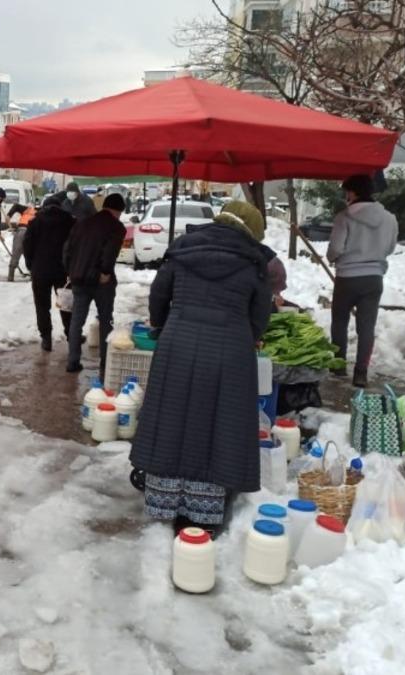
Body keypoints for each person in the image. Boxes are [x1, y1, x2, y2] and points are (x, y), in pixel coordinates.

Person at [128, 208, 273, 539]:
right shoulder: (253, 261)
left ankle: (165, 500)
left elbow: (159, 295)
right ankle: (205, 510)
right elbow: (260, 314)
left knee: (172, 418)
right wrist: (246, 334)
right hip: (230, 348)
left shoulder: (184, 248)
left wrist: (163, 324)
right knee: (218, 424)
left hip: (178, 340)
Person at [326, 174, 398, 388]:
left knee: (339, 322)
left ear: (353, 192)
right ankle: (360, 373)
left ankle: (338, 366)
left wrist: (333, 258)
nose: (345, 196)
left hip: (347, 278)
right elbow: (391, 247)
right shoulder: (390, 218)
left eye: (346, 191)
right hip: (374, 278)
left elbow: (336, 249)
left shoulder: (344, 217)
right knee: (366, 326)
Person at [62, 193, 127, 376]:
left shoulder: (82, 223)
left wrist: (70, 270)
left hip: (79, 278)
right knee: (105, 320)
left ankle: (72, 361)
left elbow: (67, 249)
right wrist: (105, 272)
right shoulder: (116, 227)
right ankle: (105, 364)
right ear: (118, 210)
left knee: (76, 320)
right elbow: (110, 251)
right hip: (101, 282)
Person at [23, 202, 75, 351]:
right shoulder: (70, 222)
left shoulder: (36, 222)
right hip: (63, 270)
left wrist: (30, 264)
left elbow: (27, 244)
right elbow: (74, 245)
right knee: (66, 304)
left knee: (41, 305)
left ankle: (46, 338)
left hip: (40, 270)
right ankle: (71, 335)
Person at [6, 202, 35, 282]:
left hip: (21, 231)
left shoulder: (26, 210)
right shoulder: (38, 212)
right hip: (31, 233)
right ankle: (33, 275)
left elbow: (15, 205)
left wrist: (9, 215)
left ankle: (10, 276)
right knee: (31, 254)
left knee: (16, 253)